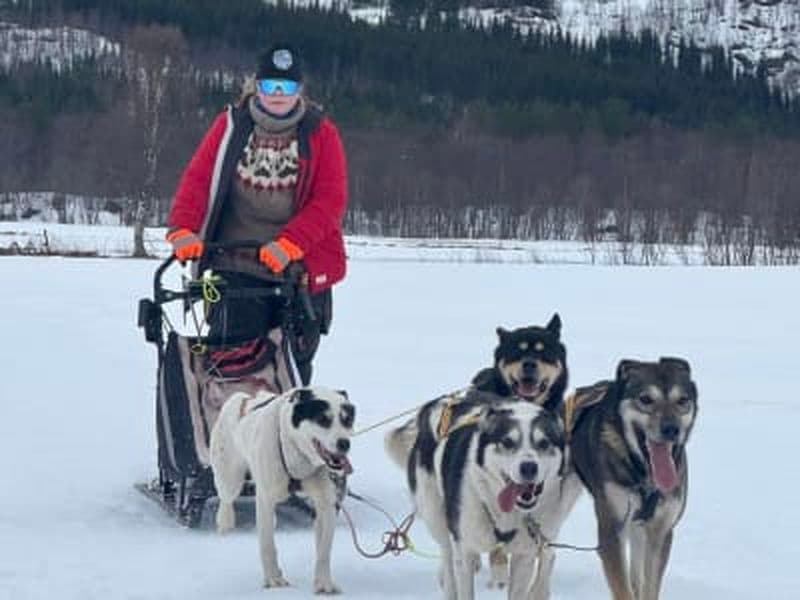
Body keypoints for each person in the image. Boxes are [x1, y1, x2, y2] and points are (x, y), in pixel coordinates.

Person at [165, 43, 348, 384]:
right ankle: (230, 429)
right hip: (235, 264)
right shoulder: (231, 126)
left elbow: (330, 201)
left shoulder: (321, 133)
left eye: (287, 87)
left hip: (298, 270)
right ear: (256, 87)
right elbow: (198, 180)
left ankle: (285, 433)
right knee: (233, 363)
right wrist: (184, 229)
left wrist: (291, 245)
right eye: (270, 86)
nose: (278, 94)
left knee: (291, 370)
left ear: (299, 90)